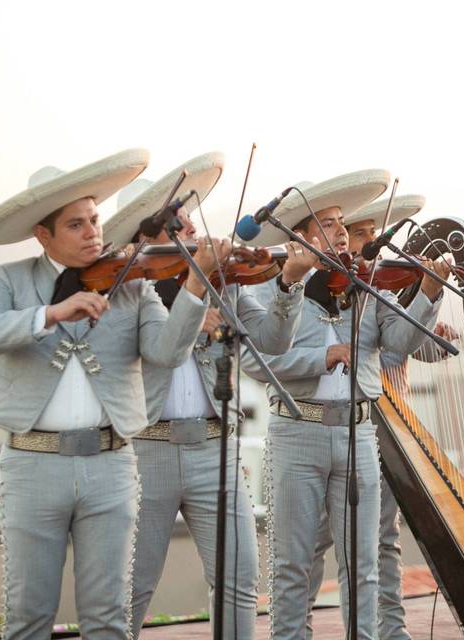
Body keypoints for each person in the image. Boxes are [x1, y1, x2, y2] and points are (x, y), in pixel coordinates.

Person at [0, 149, 220, 640]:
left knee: (109, 617)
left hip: (111, 465)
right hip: (31, 464)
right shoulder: (10, 279)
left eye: (95, 220)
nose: (94, 234)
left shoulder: (133, 284)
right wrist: (52, 314)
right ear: (44, 234)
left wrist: (193, 285)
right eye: (76, 225)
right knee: (28, 615)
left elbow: (165, 352)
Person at [99, 153, 316, 639]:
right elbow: (152, 353)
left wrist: (287, 283)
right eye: (174, 222)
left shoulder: (221, 276)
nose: (190, 227)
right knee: (131, 585)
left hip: (216, 448)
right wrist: (193, 310)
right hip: (146, 449)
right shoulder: (122, 291)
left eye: (188, 217)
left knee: (238, 580)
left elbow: (273, 341)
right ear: (142, 237)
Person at [242, 171, 448, 639]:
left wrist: (428, 295)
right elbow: (260, 361)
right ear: (301, 235)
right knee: (292, 562)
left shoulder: (364, 283)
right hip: (298, 429)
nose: (341, 231)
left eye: (341, 223)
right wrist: (322, 357)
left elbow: (399, 341)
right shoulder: (271, 282)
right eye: (329, 224)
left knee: (364, 563)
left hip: (359, 430)